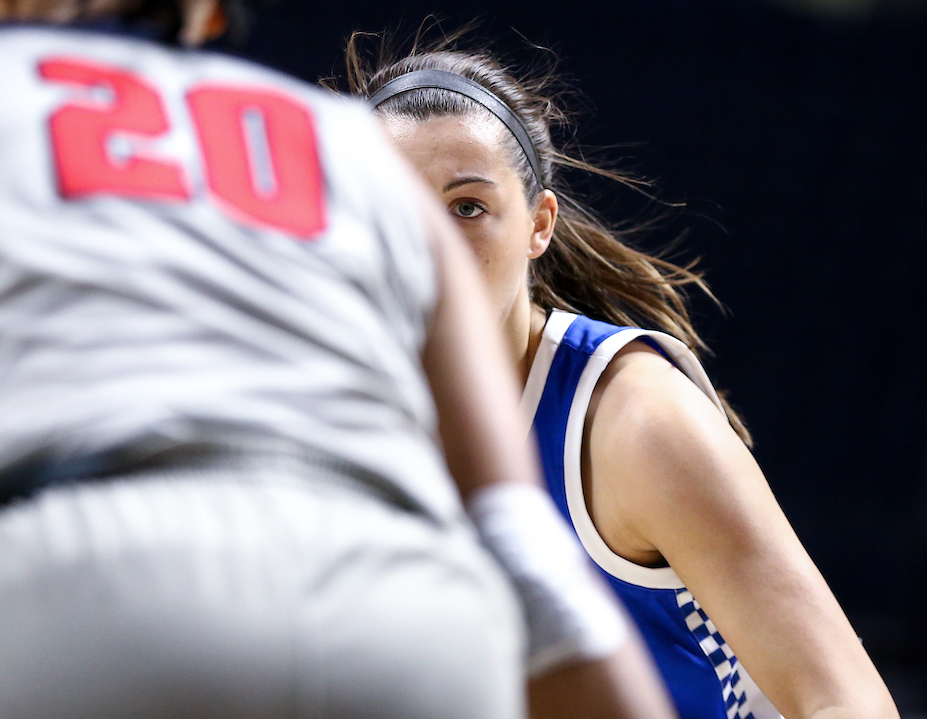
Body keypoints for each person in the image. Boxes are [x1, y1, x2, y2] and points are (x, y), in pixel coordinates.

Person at [0, 0, 679, 717]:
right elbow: (515, 545)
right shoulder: (358, 157)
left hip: (53, 590)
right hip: (402, 618)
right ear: (215, 15)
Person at [349, 37, 901, 719]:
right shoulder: (333, 415)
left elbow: (847, 703)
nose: (430, 241)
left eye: (468, 208)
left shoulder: (637, 422)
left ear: (538, 226)